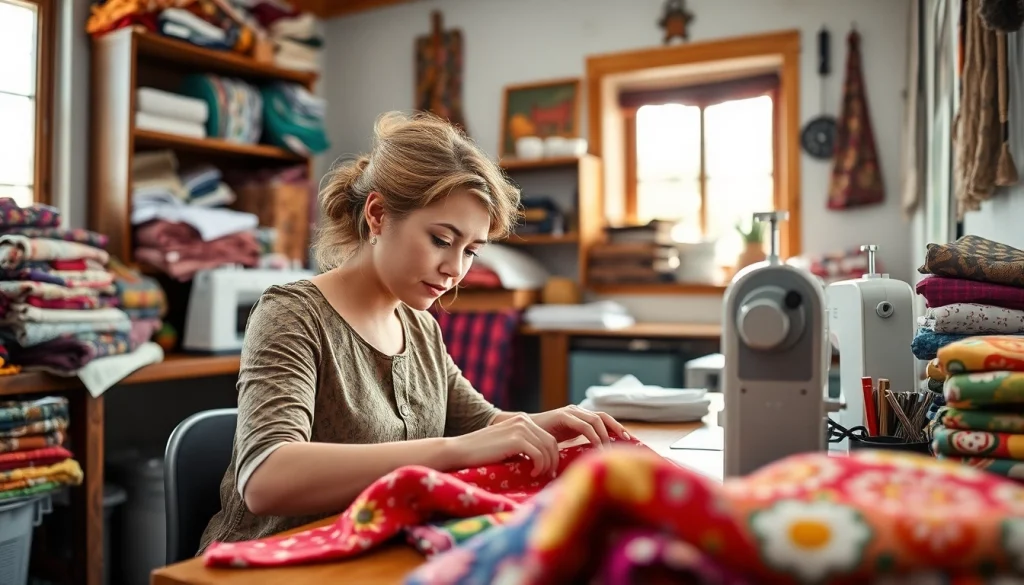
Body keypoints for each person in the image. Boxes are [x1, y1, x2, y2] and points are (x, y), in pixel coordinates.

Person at [198, 111, 629, 553]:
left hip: (368, 554)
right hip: (269, 558)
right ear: (379, 215)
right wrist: (452, 451)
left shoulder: (421, 327)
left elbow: (480, 424)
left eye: (471, 251)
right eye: (442, 240)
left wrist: (546, 424)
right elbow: (266, 479)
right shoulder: (292, 314)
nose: (455, 269)